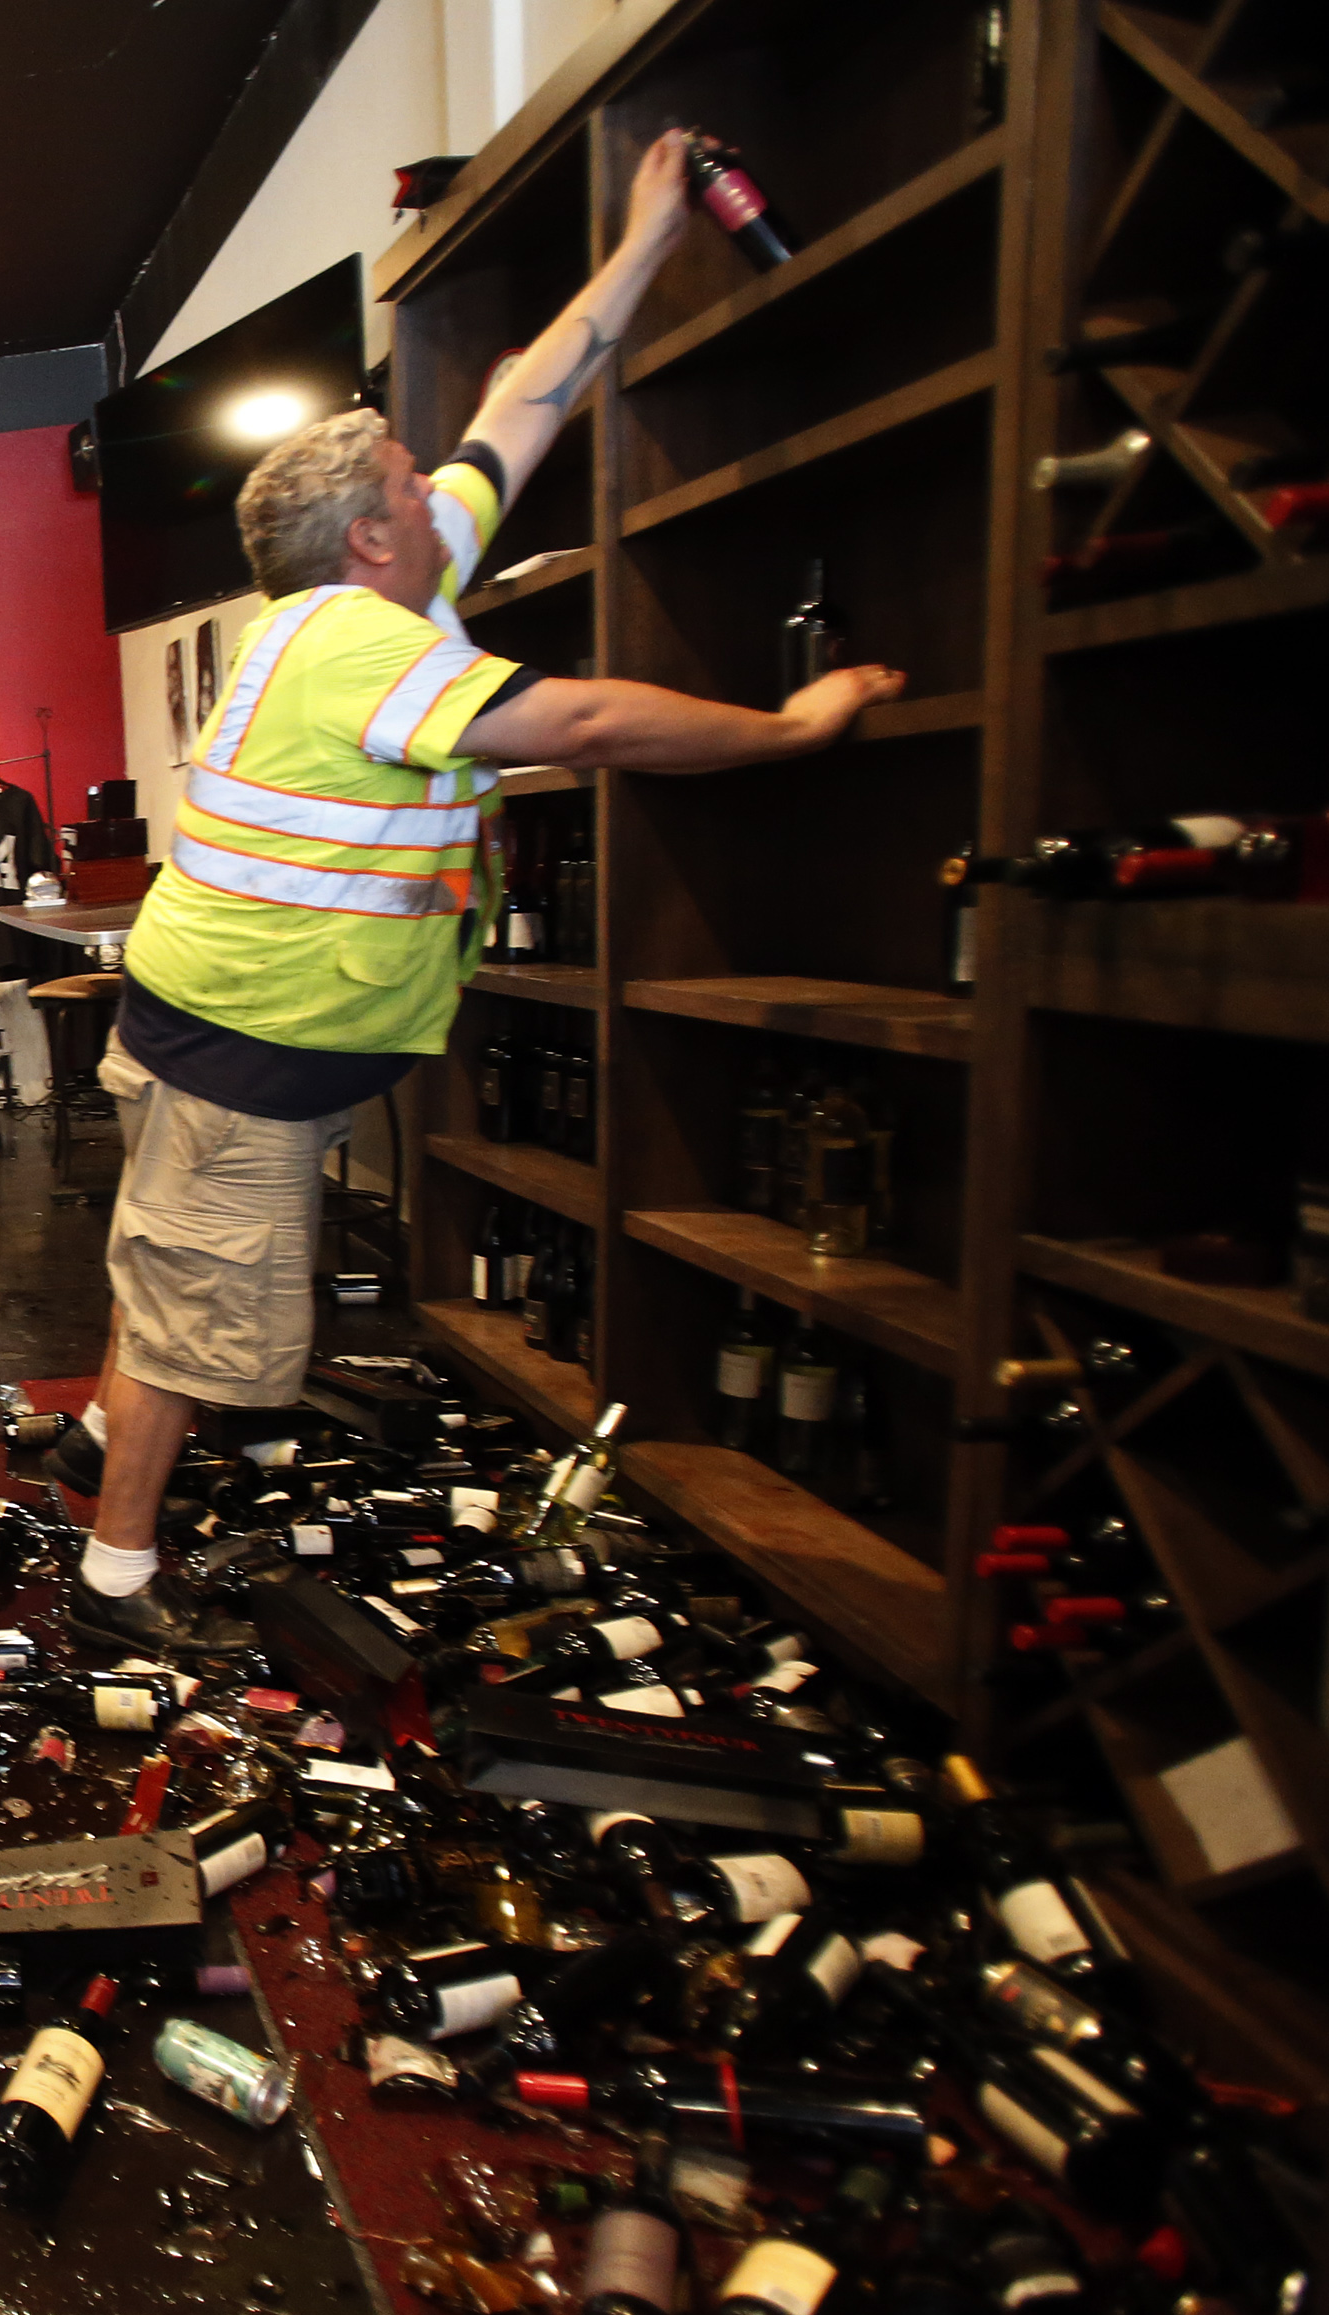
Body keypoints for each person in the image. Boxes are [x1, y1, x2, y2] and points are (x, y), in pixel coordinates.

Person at [52, 132, 908, 1657]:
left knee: (163, 1263)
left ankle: (106, 1443)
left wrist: (647, 233)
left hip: (224, 1032)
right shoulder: (360, 643)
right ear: (370, 537)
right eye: (406, 480)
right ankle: (118, 1576)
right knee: (196, 1309)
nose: (440, 484)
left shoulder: (389, 590)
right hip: (241, 1056)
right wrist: (790, 728)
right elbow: (576, 725)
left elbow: (531, 390)